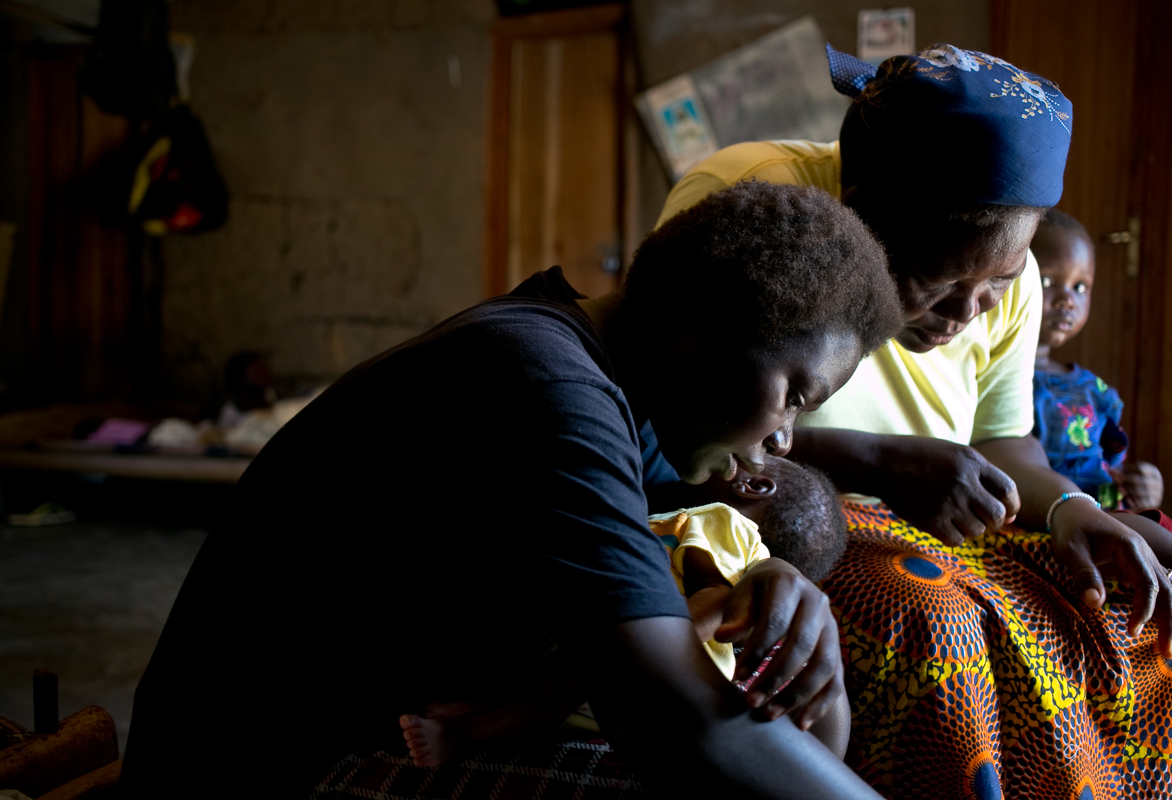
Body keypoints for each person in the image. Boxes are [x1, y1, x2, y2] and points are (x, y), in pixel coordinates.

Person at [120, 182, 903, 799]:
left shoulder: (613, 392)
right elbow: (676, 728)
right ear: (702, 329)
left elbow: (708, 543)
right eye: (795, 394)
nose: (785, 437)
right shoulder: (543, 385)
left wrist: (772, 572)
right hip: (268, 770)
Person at [656, 43, 1172, 797]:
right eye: (937, 282)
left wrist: (1070, 508)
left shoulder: (1013, 271)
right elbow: (681, 426)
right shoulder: (761, 205)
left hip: (938, 525)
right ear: (859, 208)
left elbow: (1002, 442)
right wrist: (884, 462)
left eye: (997, 284)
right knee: (929, 623)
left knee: (1132, 601)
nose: (967, 313)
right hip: (784, 521)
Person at [398, 458, 850, 769]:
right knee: (545, 693)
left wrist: (644, 646)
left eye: (750, 458)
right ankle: (480, 711)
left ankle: (463, 734)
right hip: (626, 702)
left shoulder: (728, 524)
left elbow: (716, 598)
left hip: (637, 659)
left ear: (753, 485)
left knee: (554, 688)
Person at [1031, 208, 1164, 510]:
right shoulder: (991, 376)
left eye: (1080, 287)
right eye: (1047, 281)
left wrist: (1145, 488)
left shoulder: (1095, 391)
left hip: (1100, 514)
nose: (1067, 300)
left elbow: (1114, 471)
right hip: (1036, 514)